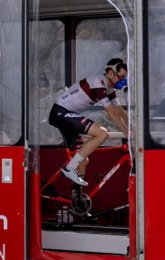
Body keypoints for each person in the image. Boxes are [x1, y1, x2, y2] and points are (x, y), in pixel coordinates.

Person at [48, 57, 129, 187]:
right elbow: (111, 112)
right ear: (110, 73)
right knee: (102, 133)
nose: (123, 81)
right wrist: (128, 133)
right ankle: (69, 168)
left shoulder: (109, 89)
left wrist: (132, 128)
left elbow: (119, 111)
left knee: (83, 161)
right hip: (60, 113)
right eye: (121, 77)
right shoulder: (98, 82)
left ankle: (77, 199)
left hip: (65, 114)